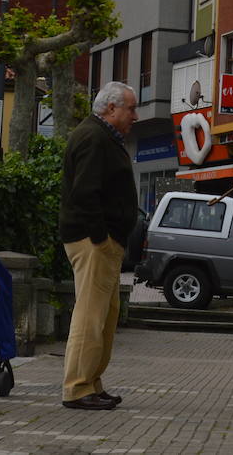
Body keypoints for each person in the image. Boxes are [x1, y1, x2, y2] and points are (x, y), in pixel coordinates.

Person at [58, 81, 139, 410]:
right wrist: (100, 238)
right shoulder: (94, 137)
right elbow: (85, 192)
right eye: (131, 109)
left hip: (101, 240)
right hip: (94, 242)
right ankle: (77, 387)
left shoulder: (101, 136)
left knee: (104, 315)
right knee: (91, 315)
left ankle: (91, 381)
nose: (135, 115)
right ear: (111, 109)